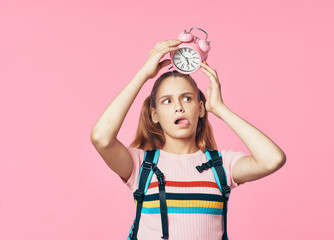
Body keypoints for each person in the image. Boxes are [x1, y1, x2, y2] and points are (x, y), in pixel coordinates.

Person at [90, 39, 286, 239]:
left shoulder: (222, 166)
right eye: (167, 101)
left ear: (200, 108)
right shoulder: (141, 166)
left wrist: (220, 109)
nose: (179, 107)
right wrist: (143, 75)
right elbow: (101, 138)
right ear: (154, 115)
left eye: (187, 98)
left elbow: (272, 159)